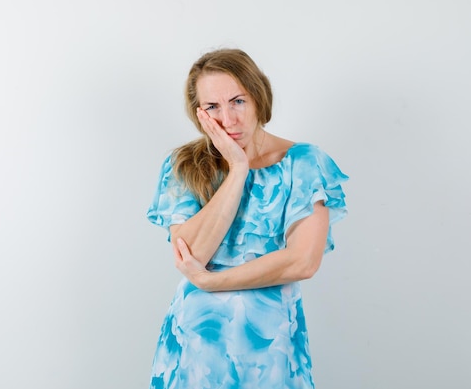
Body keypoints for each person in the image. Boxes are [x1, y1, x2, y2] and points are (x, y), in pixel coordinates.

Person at [146, 48, 348, 388]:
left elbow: (302, 262)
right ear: (200, 114)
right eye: (213, 107)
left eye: (237, 101)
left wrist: (210, 281)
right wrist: (238, 169)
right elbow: (192, 255)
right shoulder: (184, 165)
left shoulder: (304, 163)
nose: (228, 118)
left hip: (270, 349)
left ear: (258, 97)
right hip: (195, 347)